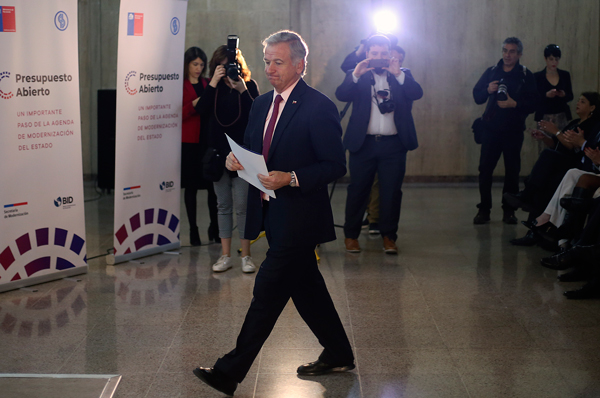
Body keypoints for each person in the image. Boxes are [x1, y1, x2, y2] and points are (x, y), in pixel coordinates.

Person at [193, 31, 354, 396]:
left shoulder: (318, 106)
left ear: (300, 64)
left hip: (300, 216)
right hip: (269, 211)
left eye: (278, 62)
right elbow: (253, 149)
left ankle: (228, 372)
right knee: (307, 288)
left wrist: (292, 177)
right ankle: (339, 353)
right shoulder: (261, 103)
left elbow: (334, 165)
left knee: (267, 291)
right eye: (266, 61)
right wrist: (236, 161)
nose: (269, 69)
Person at [336, 34, 423, 254]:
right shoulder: (357, 74)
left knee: (392, 192)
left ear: (391, 54)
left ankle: (389, 237)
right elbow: (342, 94)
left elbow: (416, 93)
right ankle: (351, 236)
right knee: (358, 190)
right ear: (367, 54)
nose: (379, 57)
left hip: (394, 145)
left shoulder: (402, 75)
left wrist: (398, 75)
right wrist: (356, 73)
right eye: (374, 53)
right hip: (363, 144)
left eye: (384, 53)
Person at [196, 46, 260, 273]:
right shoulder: (211, 88)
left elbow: (258, 115)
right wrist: (213, 82)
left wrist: (242, 88)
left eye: (231, 64)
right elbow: (201, 110)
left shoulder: (249, 86)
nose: (227, 69)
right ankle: (225, 256)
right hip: (217, 155)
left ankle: (246, 256)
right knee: (222, 206)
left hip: (242, 154)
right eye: (222, 65)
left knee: (243, 207)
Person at [472, 37, 538, 225]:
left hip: (513, 131)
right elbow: (477, 97)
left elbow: (534, 103)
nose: (507, 55)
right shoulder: (492, 72)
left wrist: (514, 104)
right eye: (505, 51)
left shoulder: (525, 75)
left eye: (511, 52)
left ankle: (509, 211)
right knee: (485, 170)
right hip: (491, 130)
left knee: (512, 171)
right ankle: (484, 209)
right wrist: (487, 89)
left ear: (519, 54)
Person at [181, 46, 219, 246]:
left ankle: (214, 227)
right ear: (187, 64)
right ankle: (193, 230)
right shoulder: (181, 85)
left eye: (201, 65)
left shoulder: (207, 83)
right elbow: (178, 113)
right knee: (191, 188)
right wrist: (194, 104)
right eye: (195, 64)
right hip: (188, 143)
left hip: (207, 140)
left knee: (212, 187)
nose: (198, 68)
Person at [533, 44, 573, 132]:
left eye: (556, 59)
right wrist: (546, 95)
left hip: (562, 114)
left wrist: (563, 94)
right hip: (544, 115)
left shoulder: (565, 75)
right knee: (544, 143)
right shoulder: (537, 77)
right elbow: (533, 98)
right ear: (545, 59)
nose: (554, 62)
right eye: (551, 59)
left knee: (563, 143)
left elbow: (570, 96)